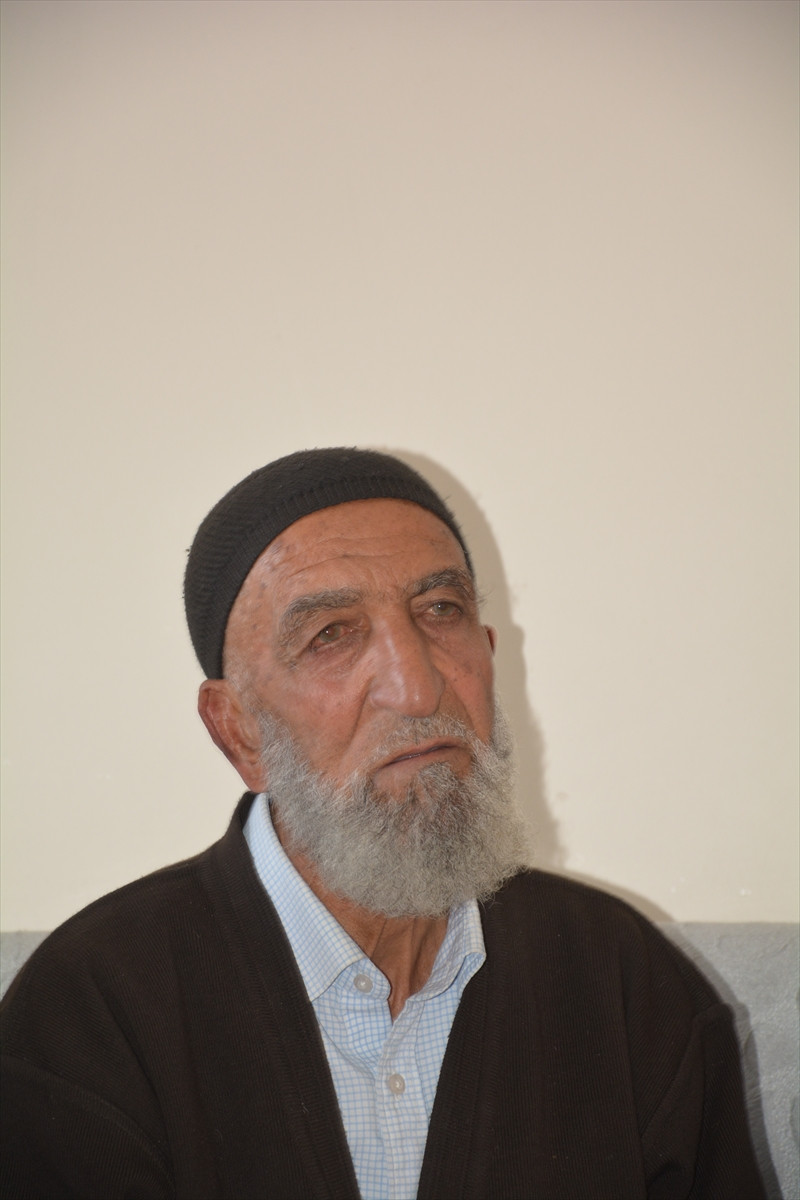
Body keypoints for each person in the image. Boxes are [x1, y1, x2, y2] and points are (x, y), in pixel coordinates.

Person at [1, 448, 765, 1199]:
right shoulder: (89, 1017)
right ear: (237, 730)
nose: (416, 685)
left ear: (489, 656)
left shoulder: (627, 987)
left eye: (441, 611)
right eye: (331, 634)